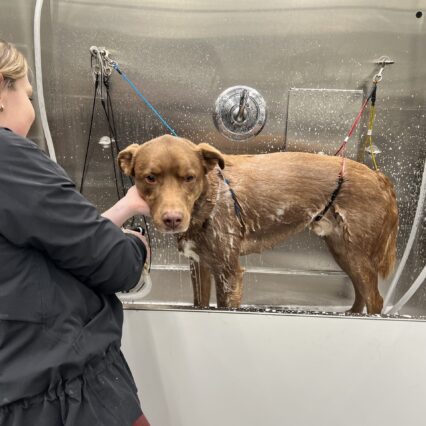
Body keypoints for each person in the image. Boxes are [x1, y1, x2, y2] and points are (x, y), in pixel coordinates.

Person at [0, 40, 151, 426]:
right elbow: (112, 263)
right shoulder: (7, 156)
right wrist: (135, 247)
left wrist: (126, 206)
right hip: (64, 398)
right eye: (28, 94)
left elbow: (44, 247)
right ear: (3, 91)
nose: (31, 109)